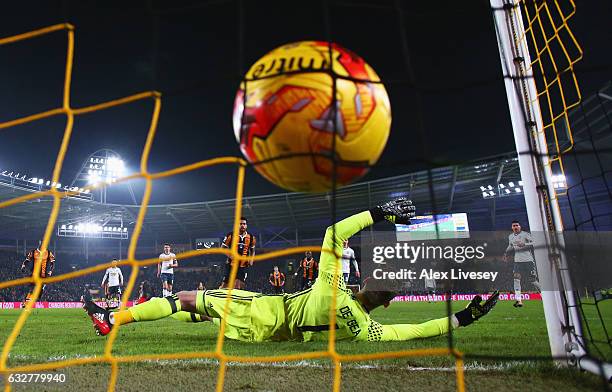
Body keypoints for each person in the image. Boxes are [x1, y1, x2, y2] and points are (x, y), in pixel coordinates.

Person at [84, 198, 499, 341]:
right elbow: (416, 330)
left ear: (375, 294)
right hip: (274, 325)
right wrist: (465, 317)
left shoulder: (333, 288)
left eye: (377, 282)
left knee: (184, 298)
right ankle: (121, 314)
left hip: (267, 312)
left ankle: (112, 321)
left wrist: (379, 214)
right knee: (198, 309)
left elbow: (333, 232)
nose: (371, 278)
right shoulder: (363, 326)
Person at [503, 220, 541, 307]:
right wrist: (506, 253)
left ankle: (544, 295)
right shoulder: (511, 236)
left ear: (520, 226)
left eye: (517, 225)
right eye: (513, 226)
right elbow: (510, 245)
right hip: (517, 262)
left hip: (528, 261)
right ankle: (519, 301)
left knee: (533, 280)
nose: (515, 227)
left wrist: (525, 243)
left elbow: (535, 242)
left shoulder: (525, 234)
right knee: (516, 279)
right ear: (512, 227)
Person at [220, 217, 256, 290]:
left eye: (244, 224)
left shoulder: (251, 238)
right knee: (224, 286)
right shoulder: (231, 235)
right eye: (240, 224)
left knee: (238, 286)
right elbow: (222, 248)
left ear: (246, 225)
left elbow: (252, 250)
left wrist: (251, 260)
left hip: (243, 266)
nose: (242, 225)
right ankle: (216, 299)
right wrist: (230, 256)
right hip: (231, 265)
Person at [20, 242, 55, 308]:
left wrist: (50, 271)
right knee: (31, 289)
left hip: (43, 276)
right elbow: (27, 260)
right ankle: (25, 303)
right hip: (34, 275)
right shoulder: (33, 252)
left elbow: (53, 262)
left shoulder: (48, 252)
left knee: (39, 293)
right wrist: (23, 265)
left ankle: (30, 301)